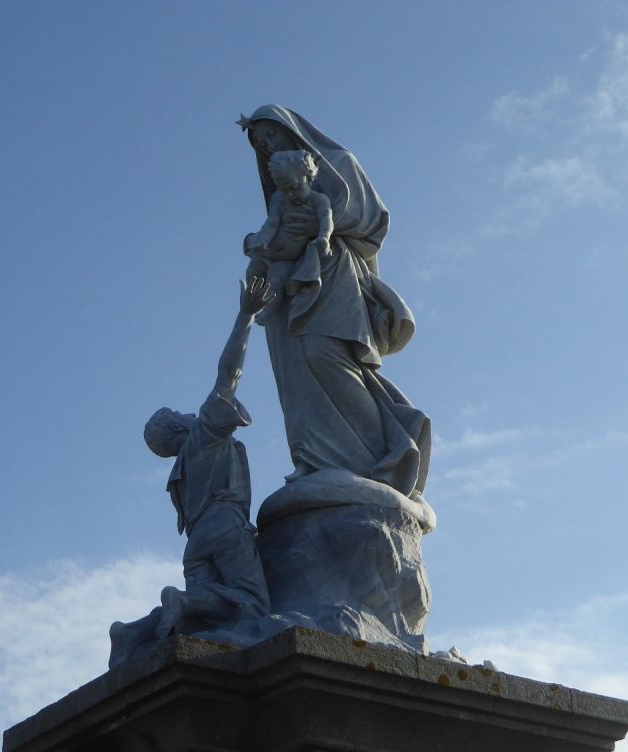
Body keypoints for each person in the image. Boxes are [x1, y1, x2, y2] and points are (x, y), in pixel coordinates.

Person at [239, 105, 431, 497]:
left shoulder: (341, 163)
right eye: (260, 145)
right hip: (291, 283)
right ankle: (315, 459)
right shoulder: (280, 199)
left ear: (288, 129)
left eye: (271, 136)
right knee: (295, 371)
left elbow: (373, 221)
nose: (268, 147)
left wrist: (319, 229)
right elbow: (273, 235)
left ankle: (387, 449)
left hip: (334, 269)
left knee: (327, 354)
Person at [107, 278, 276, 667]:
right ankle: (180, 601)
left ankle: (133, 631)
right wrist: (246, 315)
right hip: (225, 528)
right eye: (180, 415)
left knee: (204, 614)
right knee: (253, 605)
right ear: (180, 428)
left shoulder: (179, 474)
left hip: (196, 543)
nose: (188, 413)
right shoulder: (204, 436)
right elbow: (227, 375)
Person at [245, 149, 334, 317]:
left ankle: (266, 312)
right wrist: (263, 239)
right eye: (284, 190)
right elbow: (272, 222)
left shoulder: (319, 200)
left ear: (308, 176)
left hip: (285, 261)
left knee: (276, 283)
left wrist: (324, 237)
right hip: (267, 252)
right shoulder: (280, 199)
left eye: (294, 187)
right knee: (253, 273)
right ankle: (248, 302)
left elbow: (326, 220)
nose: (290, 194)